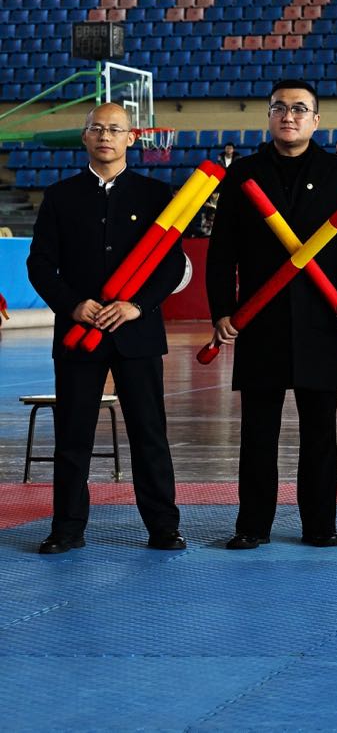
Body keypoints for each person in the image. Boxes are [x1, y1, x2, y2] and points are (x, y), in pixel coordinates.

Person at [206, 79, 337, 550]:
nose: (289, 115)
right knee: (258, 432)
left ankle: (320, 524)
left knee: (320, 432)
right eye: (280, 107)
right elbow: (222, 253)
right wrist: (222, 311)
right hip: (260, 321)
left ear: (316, 120)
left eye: (299, 108)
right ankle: (252, 525)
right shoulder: (244, 174)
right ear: (269, 116)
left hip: (322, 319)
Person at [26, 103, 185, 553]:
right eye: (97, 128)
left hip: (138, 334)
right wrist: (73, 306)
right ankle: (67, 528)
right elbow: (40, 265)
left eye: (115, 129)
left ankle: (163, 527)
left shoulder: (157, 195)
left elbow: (172, 265)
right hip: (79, 335)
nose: (105, 136)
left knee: (149, 434)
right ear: (84, 136)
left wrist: (137, 306)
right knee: (72, 436)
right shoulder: (60, 197)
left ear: (131, 138)